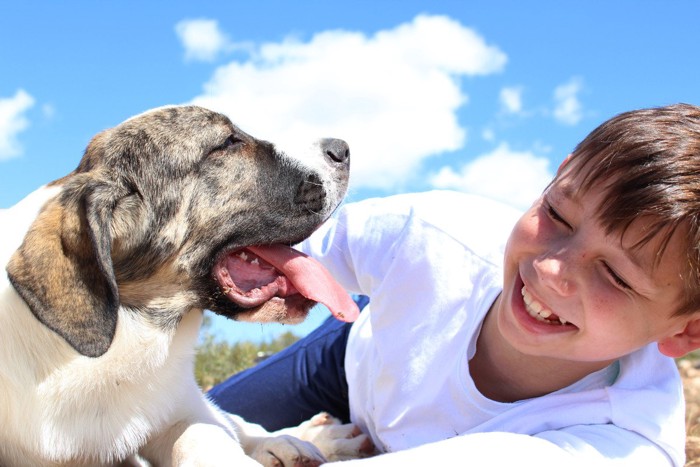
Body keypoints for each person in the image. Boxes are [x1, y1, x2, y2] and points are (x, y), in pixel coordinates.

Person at [209, 103, 700, 465]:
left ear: (687, 331)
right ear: (560, 174)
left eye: (614, 275)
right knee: (186, 434)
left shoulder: (622, 446)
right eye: (557, 215)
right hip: (352, 363)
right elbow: (241, 255)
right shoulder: (434, 236)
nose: (551, 269)